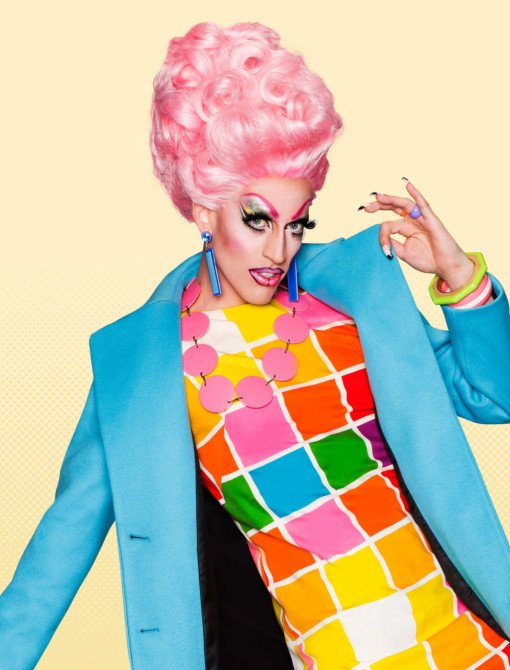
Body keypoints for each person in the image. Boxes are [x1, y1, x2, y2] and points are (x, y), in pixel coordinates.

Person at [1, 20, 509, 670]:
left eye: (297, 222)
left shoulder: (350, 298)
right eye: (257, 219)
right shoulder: (142, 366)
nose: (279, 250)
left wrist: (461, 278)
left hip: (472, 647)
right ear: (202, 206)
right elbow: (57, 551)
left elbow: (493, 397)